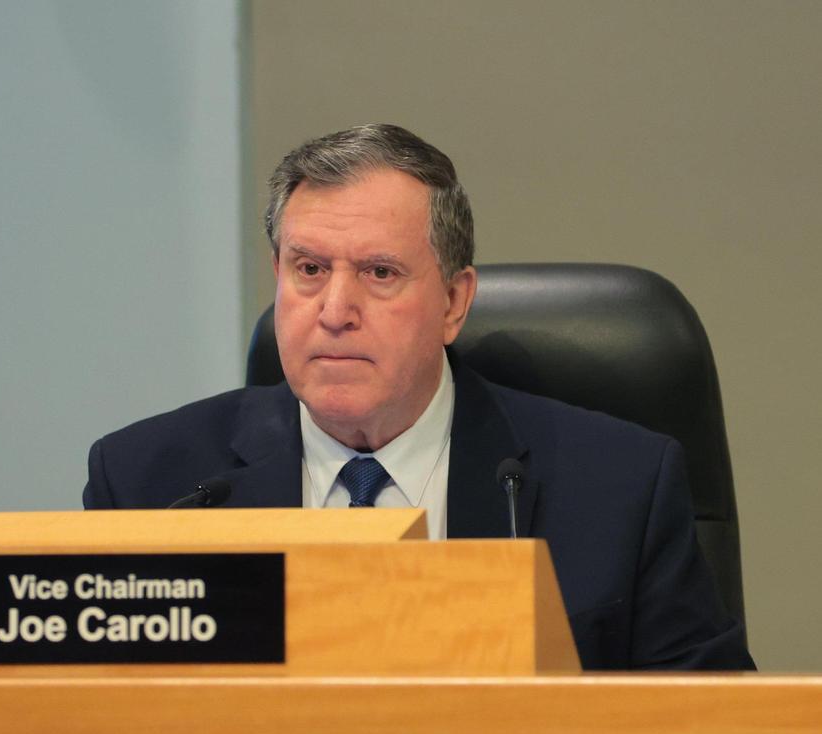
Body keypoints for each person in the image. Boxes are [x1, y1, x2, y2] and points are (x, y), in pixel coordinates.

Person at [83, 124, 754, 670]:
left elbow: (717, 729)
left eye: (379, 273)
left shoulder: (619, 489)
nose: (335, 309)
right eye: (309, 269)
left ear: (454, 303)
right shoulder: (150, 483)